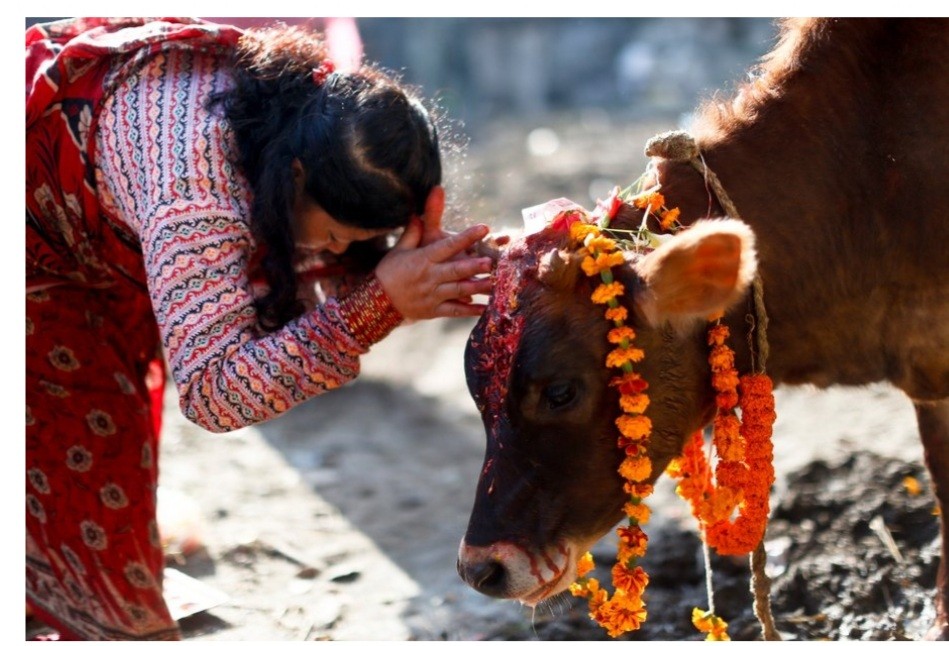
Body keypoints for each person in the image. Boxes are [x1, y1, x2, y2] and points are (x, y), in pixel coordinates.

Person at [26, 17, 493, 640]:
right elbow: (212, 391)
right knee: (82, 519)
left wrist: (412, 270)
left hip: (87, 238)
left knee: (97, 497)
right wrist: (376, 307)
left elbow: (296, 263)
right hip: (32, 266)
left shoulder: (309, 112)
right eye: (335, 236)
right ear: (294, 176)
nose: (335, 252)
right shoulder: (196, 193)